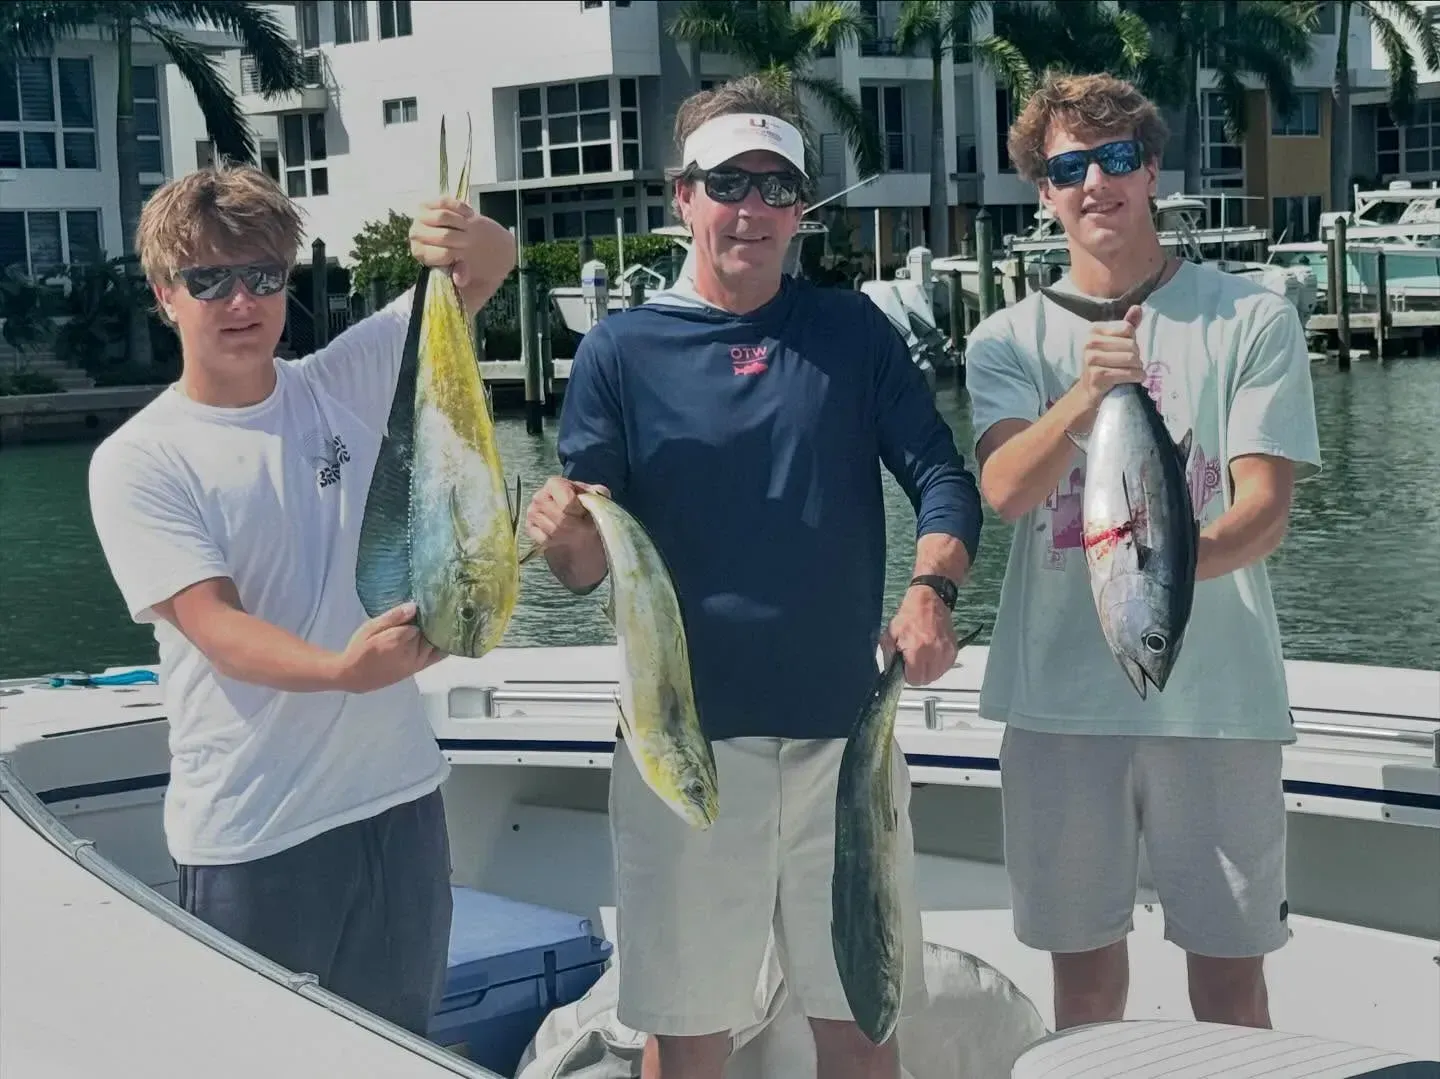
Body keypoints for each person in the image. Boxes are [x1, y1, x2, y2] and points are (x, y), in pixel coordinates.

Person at [525, 75, 984, 1079]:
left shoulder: (852, 332)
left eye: (778, 187)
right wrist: (560, 527)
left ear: (800, 212)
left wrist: (931, 588)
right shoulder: (619, 349)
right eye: (729, 181)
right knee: (686, 1039)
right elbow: (584, 564)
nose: (753, 208)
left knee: (862, 1029)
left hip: (845, 748)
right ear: (682, 194)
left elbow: (944, 475)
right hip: (681, 748)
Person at [86, 161, 516, 1035]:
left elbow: (489, 266)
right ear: (166, 295)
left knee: (403, 1049)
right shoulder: (141, 458)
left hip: (399, 805)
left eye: (263, 277)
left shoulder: (338, 384)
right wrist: (342, 671)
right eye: (208, 280)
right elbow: (216, 625)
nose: (239, 302)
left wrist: (463, 237)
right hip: (254, 835)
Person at [964, 72, 1322, 1032]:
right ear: (1045, 190)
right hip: (1059, 708)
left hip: (1218, 705)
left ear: (1151, 170)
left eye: (1117, 158)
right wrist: (1084, 399)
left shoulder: (1254, 318)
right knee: (1083, 980)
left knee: (1231, 973)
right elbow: (1004, 491)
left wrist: (1155, 573)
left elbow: (1263, 513)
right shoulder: (1008, 340)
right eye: (1068, 166)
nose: (1096, 183)